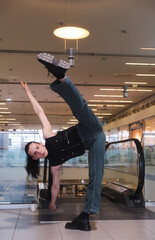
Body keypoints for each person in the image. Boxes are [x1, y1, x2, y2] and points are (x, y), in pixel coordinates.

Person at [21, 53, 106, 231]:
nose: (38, 152)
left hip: (88, 128)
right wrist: (52, 203)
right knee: (95, 177)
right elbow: (55, 186)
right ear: (36, 158)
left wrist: (28, 92)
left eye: (36, 147)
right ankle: (85, 218)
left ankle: (60, 76)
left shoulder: (48, 135)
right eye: (35, 154)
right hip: (95, 143)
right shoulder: (54, 164)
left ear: (40, 143)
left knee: (79, 107)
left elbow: (39, 112)